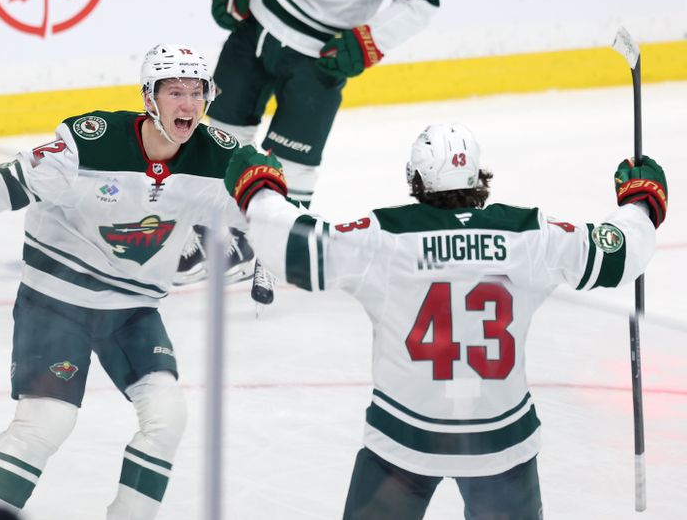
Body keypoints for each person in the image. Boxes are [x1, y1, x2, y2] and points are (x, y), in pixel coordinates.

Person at [221, 124, 668, 519]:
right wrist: (640, 203)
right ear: (478, 176)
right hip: (502, 442)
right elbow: (619, 254)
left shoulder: (384, 238)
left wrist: (260, 188)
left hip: (405, 440)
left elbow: (295, 249)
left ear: (416, 179)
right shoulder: (530, 233)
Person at [0, 44, 254, 520]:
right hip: (57, 300)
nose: (189, 105)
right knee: (46, 422)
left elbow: (264, 206)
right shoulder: (91, 139)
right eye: (176, 92)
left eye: (197, 93)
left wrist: (290, 233)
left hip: (133, 310)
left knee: (168, 416)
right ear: (150, 98)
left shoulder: (219, 157)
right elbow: (16, 179)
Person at [174, 0, 441, 303]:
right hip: (255, 23)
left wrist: (371, 41)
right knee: (223, 131)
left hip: (320, 54)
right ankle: (214, 231)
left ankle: (275, 247)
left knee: (292, 162)